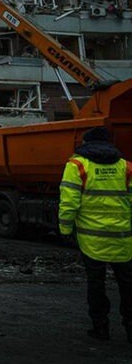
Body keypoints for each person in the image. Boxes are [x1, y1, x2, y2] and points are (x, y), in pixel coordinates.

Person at [59, 126, 132, 341]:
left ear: (85, 143)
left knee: (96, 283)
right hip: (122, 239)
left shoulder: (77, 165)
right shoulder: (125, 167)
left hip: (92, 240)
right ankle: (130, 327)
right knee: (127, 284)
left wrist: (65, 229)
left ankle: (100, 327)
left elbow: (69, 202)